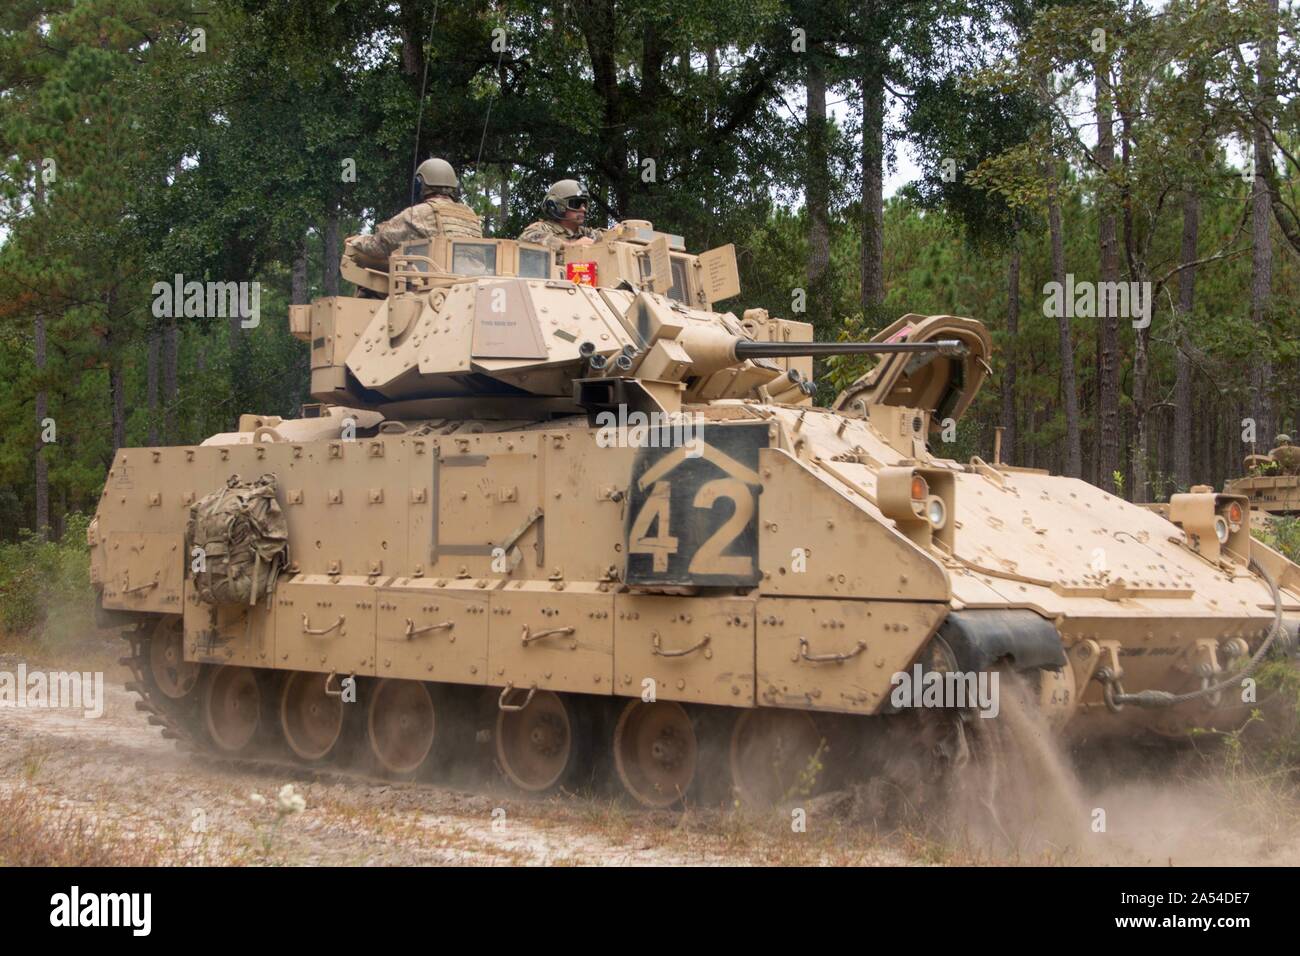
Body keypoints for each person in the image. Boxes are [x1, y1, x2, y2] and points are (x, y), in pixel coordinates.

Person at [343, 158, 482, 271]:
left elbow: (379, 245)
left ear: (419, 184)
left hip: (432, 284)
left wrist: (356, 241)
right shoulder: (470, 214)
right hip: (472, 283)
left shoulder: (419, 213)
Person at [518, 179, 602, 251]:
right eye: (576, 204)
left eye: (585, 204)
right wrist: (571, 246)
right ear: (557, 206)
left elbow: (608, 236)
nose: (583, 209)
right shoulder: (542, 228)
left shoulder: (586, 233)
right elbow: (525, 239)